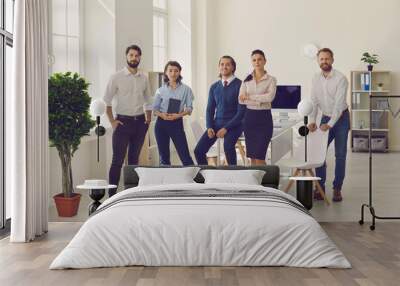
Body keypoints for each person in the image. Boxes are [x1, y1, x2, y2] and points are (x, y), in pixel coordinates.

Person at [103, 44, 152, 197]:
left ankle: (131, 194)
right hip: (122, 123)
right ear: (126, 56)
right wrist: (112, 121)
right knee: (117, 161)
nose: (134, 58)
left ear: (140, 58)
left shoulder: (144, 78)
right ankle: (111, 196)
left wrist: (148, 118)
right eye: (131, 55)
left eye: (137, 55)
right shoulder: (116, 77)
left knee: (133, 161)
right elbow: (107, 101)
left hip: (139, 123)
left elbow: (148, 100)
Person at [308, 48, 350, 202]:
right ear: (318, 61)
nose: (324, 61)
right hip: (325, 117)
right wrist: (312, 120)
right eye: (321, 59)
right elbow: (314, 101)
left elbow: (339, 106)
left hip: (341, 119)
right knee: (319, 154)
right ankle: (319, 188)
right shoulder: (315, 78)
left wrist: (330, 124)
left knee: (340, 155)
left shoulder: (341, 78)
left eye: (327, 58)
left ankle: (337, 188)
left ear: (332, 60)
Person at [194, 55, 245, 165]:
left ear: (233, 67)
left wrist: (226, 128)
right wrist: (209, 127)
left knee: (228, 146)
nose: (224, 66)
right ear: (219, 67)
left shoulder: (241, 85)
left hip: (235, 125)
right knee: (198, 150)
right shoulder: (214, 87)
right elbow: (210, 110)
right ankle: (205, 176)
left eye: (227, 64)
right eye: (222, 64)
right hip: (217, 124)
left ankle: (232, 177)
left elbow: (241, 113)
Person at [239, 49, 277, 166]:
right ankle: (255, 183)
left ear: (265, 61)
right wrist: (259, 100)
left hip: (264, 118)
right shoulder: (246, 78)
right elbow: (240, 99)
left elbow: (269, 98)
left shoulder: (271, 79)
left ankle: (266, 182)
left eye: (259, 59)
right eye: (254, 60)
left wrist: (250, 97)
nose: (257, 62)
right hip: (249, 118)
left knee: (260, 157)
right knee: (252, 158)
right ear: (252, 62)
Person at [153, 61, 194, 166]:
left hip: (176, 123)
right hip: (161, 124)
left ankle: (196, 180)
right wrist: (162, 115)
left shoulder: (186, 90)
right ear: (166, 72)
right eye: (170, 70)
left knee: (185, 156)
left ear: (179, 72)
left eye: (176, 71)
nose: (173, 73)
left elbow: (189, 109)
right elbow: (155, 109)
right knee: (164, 158)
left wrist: (178, 115)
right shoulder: (160, 90)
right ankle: (166, 182)